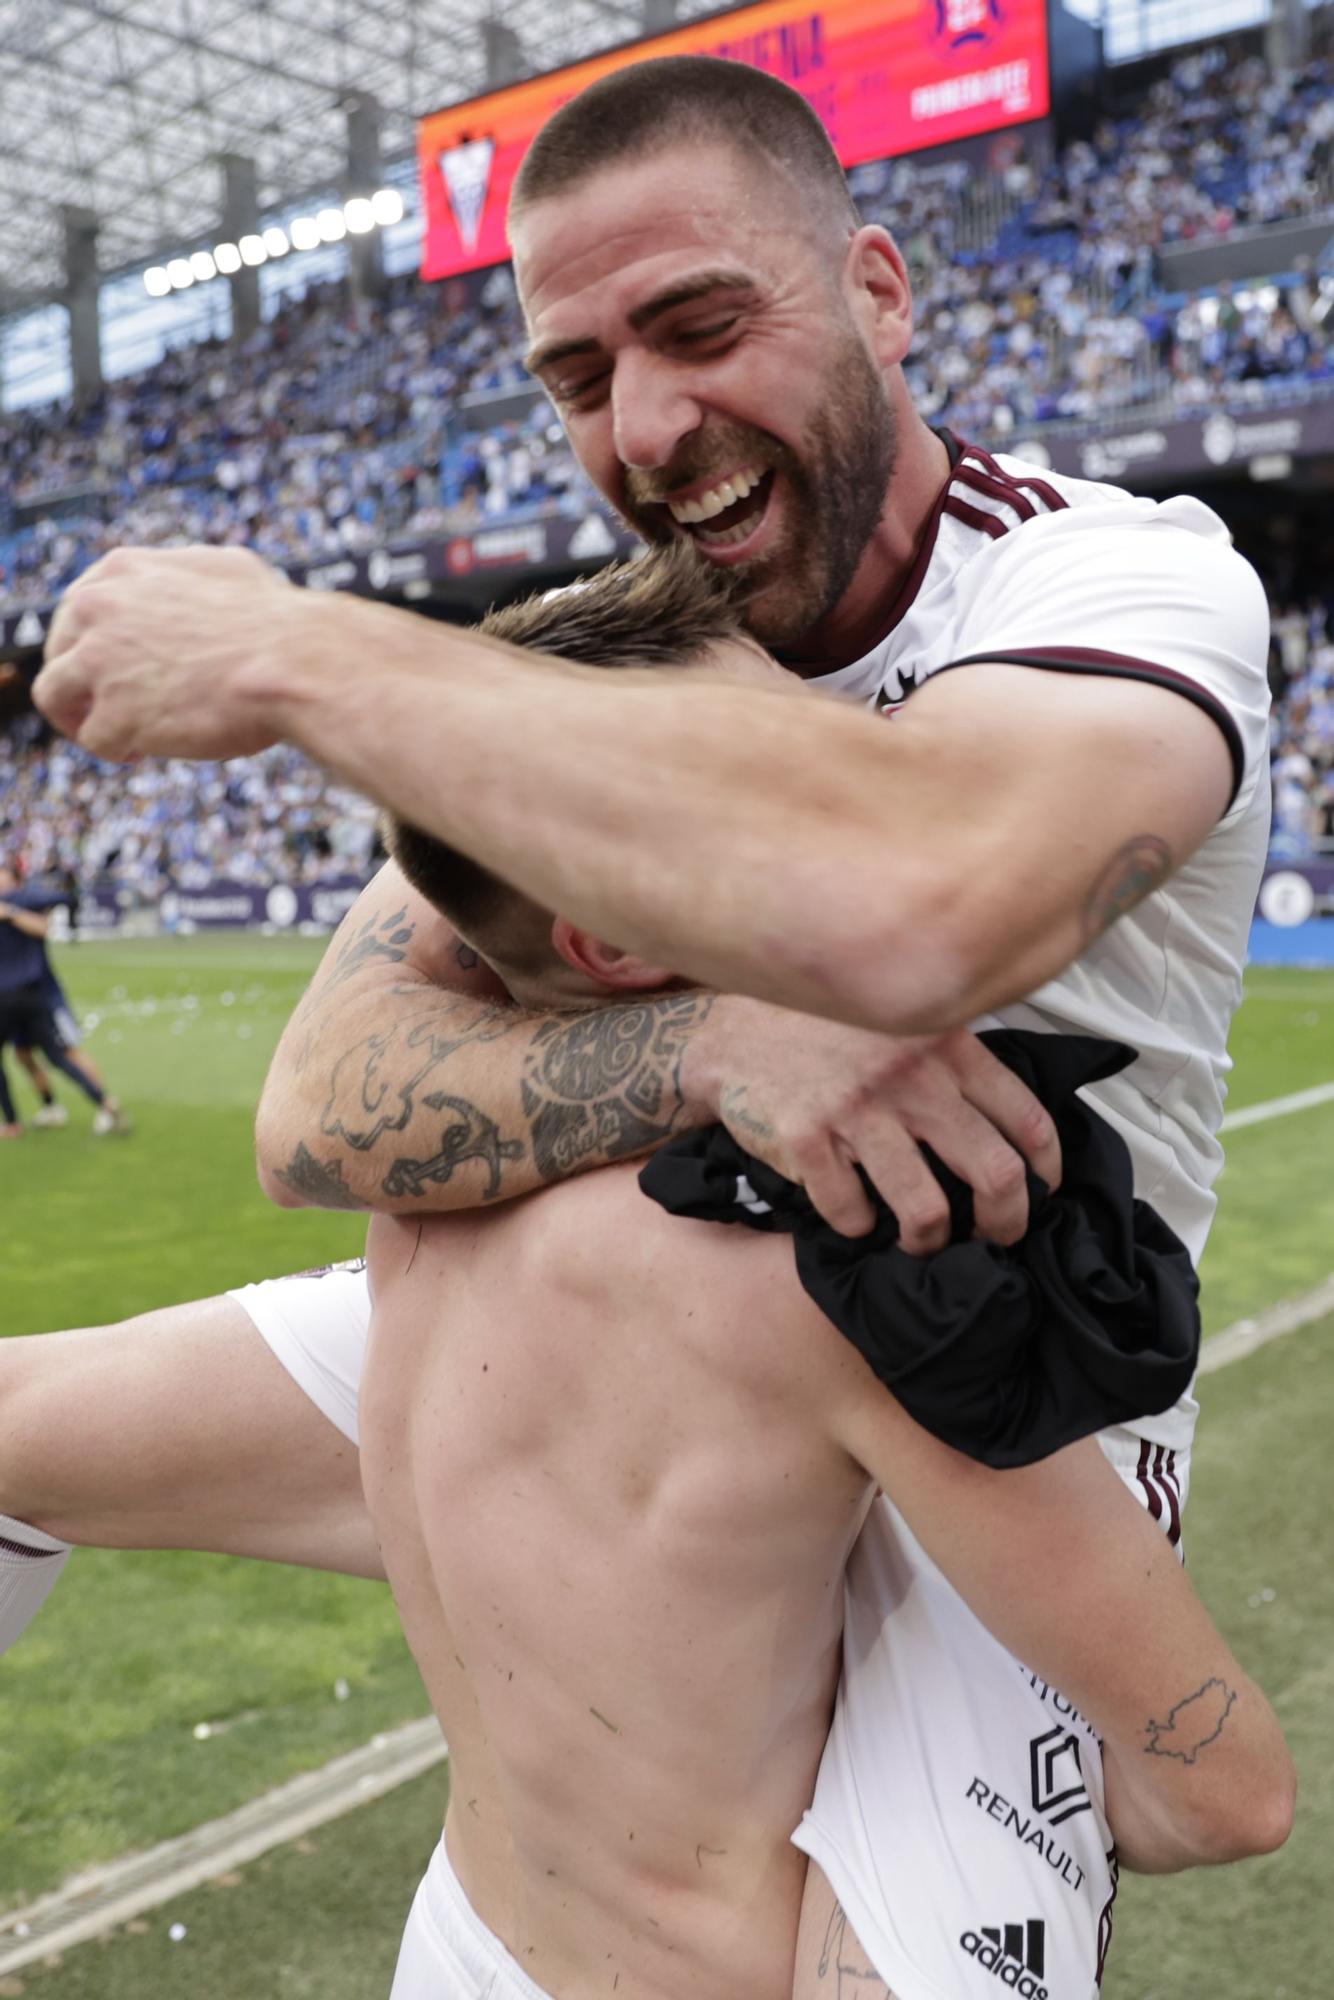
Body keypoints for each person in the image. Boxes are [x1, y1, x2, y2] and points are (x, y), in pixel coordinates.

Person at [25, 49, 1276, 1988]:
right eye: (579, 373)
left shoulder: (1106, 578)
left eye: (700, 325)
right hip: (699, 1288)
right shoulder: (630, 644)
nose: (649, 421)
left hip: (998, 1379)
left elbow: (923, 899)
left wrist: (299, 647)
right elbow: (326, 1102)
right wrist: (706, 1051)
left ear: (877, 287)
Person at [0, 863, 128, 1137]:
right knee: (24, 1055)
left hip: (42, 995)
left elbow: (56, 906)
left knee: (65, 1052)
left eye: (3, 877)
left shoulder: (23, 901)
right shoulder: (21, 904)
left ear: (16, 881)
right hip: (17, 997)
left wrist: (13, 912)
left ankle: (104, 1105)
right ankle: (50, 1109)